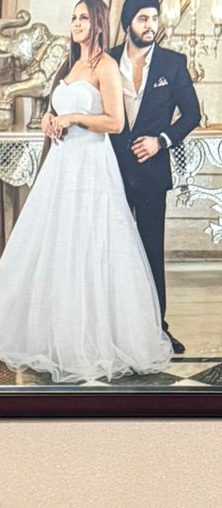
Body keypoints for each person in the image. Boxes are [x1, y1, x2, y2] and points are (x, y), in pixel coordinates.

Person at [0, 0, 172, 384]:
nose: (76, 24)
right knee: (55, 243)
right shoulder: (70, 64)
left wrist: (74, 117)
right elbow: (57, 105)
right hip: (61, 165)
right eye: (74, 18)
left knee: (89, 243)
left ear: (98, 24)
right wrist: (49, 117)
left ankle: (91, 339)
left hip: (92, 164)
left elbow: (116, 122)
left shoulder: (105, 66)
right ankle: (49, 335)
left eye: (83, 18)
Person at [108, 0, 202, 354]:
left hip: (151, 174)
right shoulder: (106, 61)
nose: (150, 25)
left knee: (151, 253)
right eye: (142, 18)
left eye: (154, 18)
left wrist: (160, 141)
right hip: (109, 172)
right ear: (127, 23)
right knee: (110, 250)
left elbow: (191, 115)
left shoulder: (172, 63)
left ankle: (157, 329)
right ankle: (111, 328)